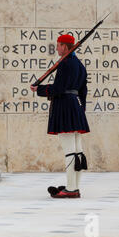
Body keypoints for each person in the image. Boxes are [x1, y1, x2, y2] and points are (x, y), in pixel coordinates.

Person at [30, 34, 89, 198]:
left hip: (65, 106)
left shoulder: (65, 63)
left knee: (70, 150)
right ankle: (74, 186)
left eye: (58, 45)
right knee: (77, 150)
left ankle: (70, 189)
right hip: (76, 106)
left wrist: (39, 90)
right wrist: (80, 109)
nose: (56, 48)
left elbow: (59, 88)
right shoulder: (79, 65)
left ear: (65, 46)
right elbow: (83, 91)